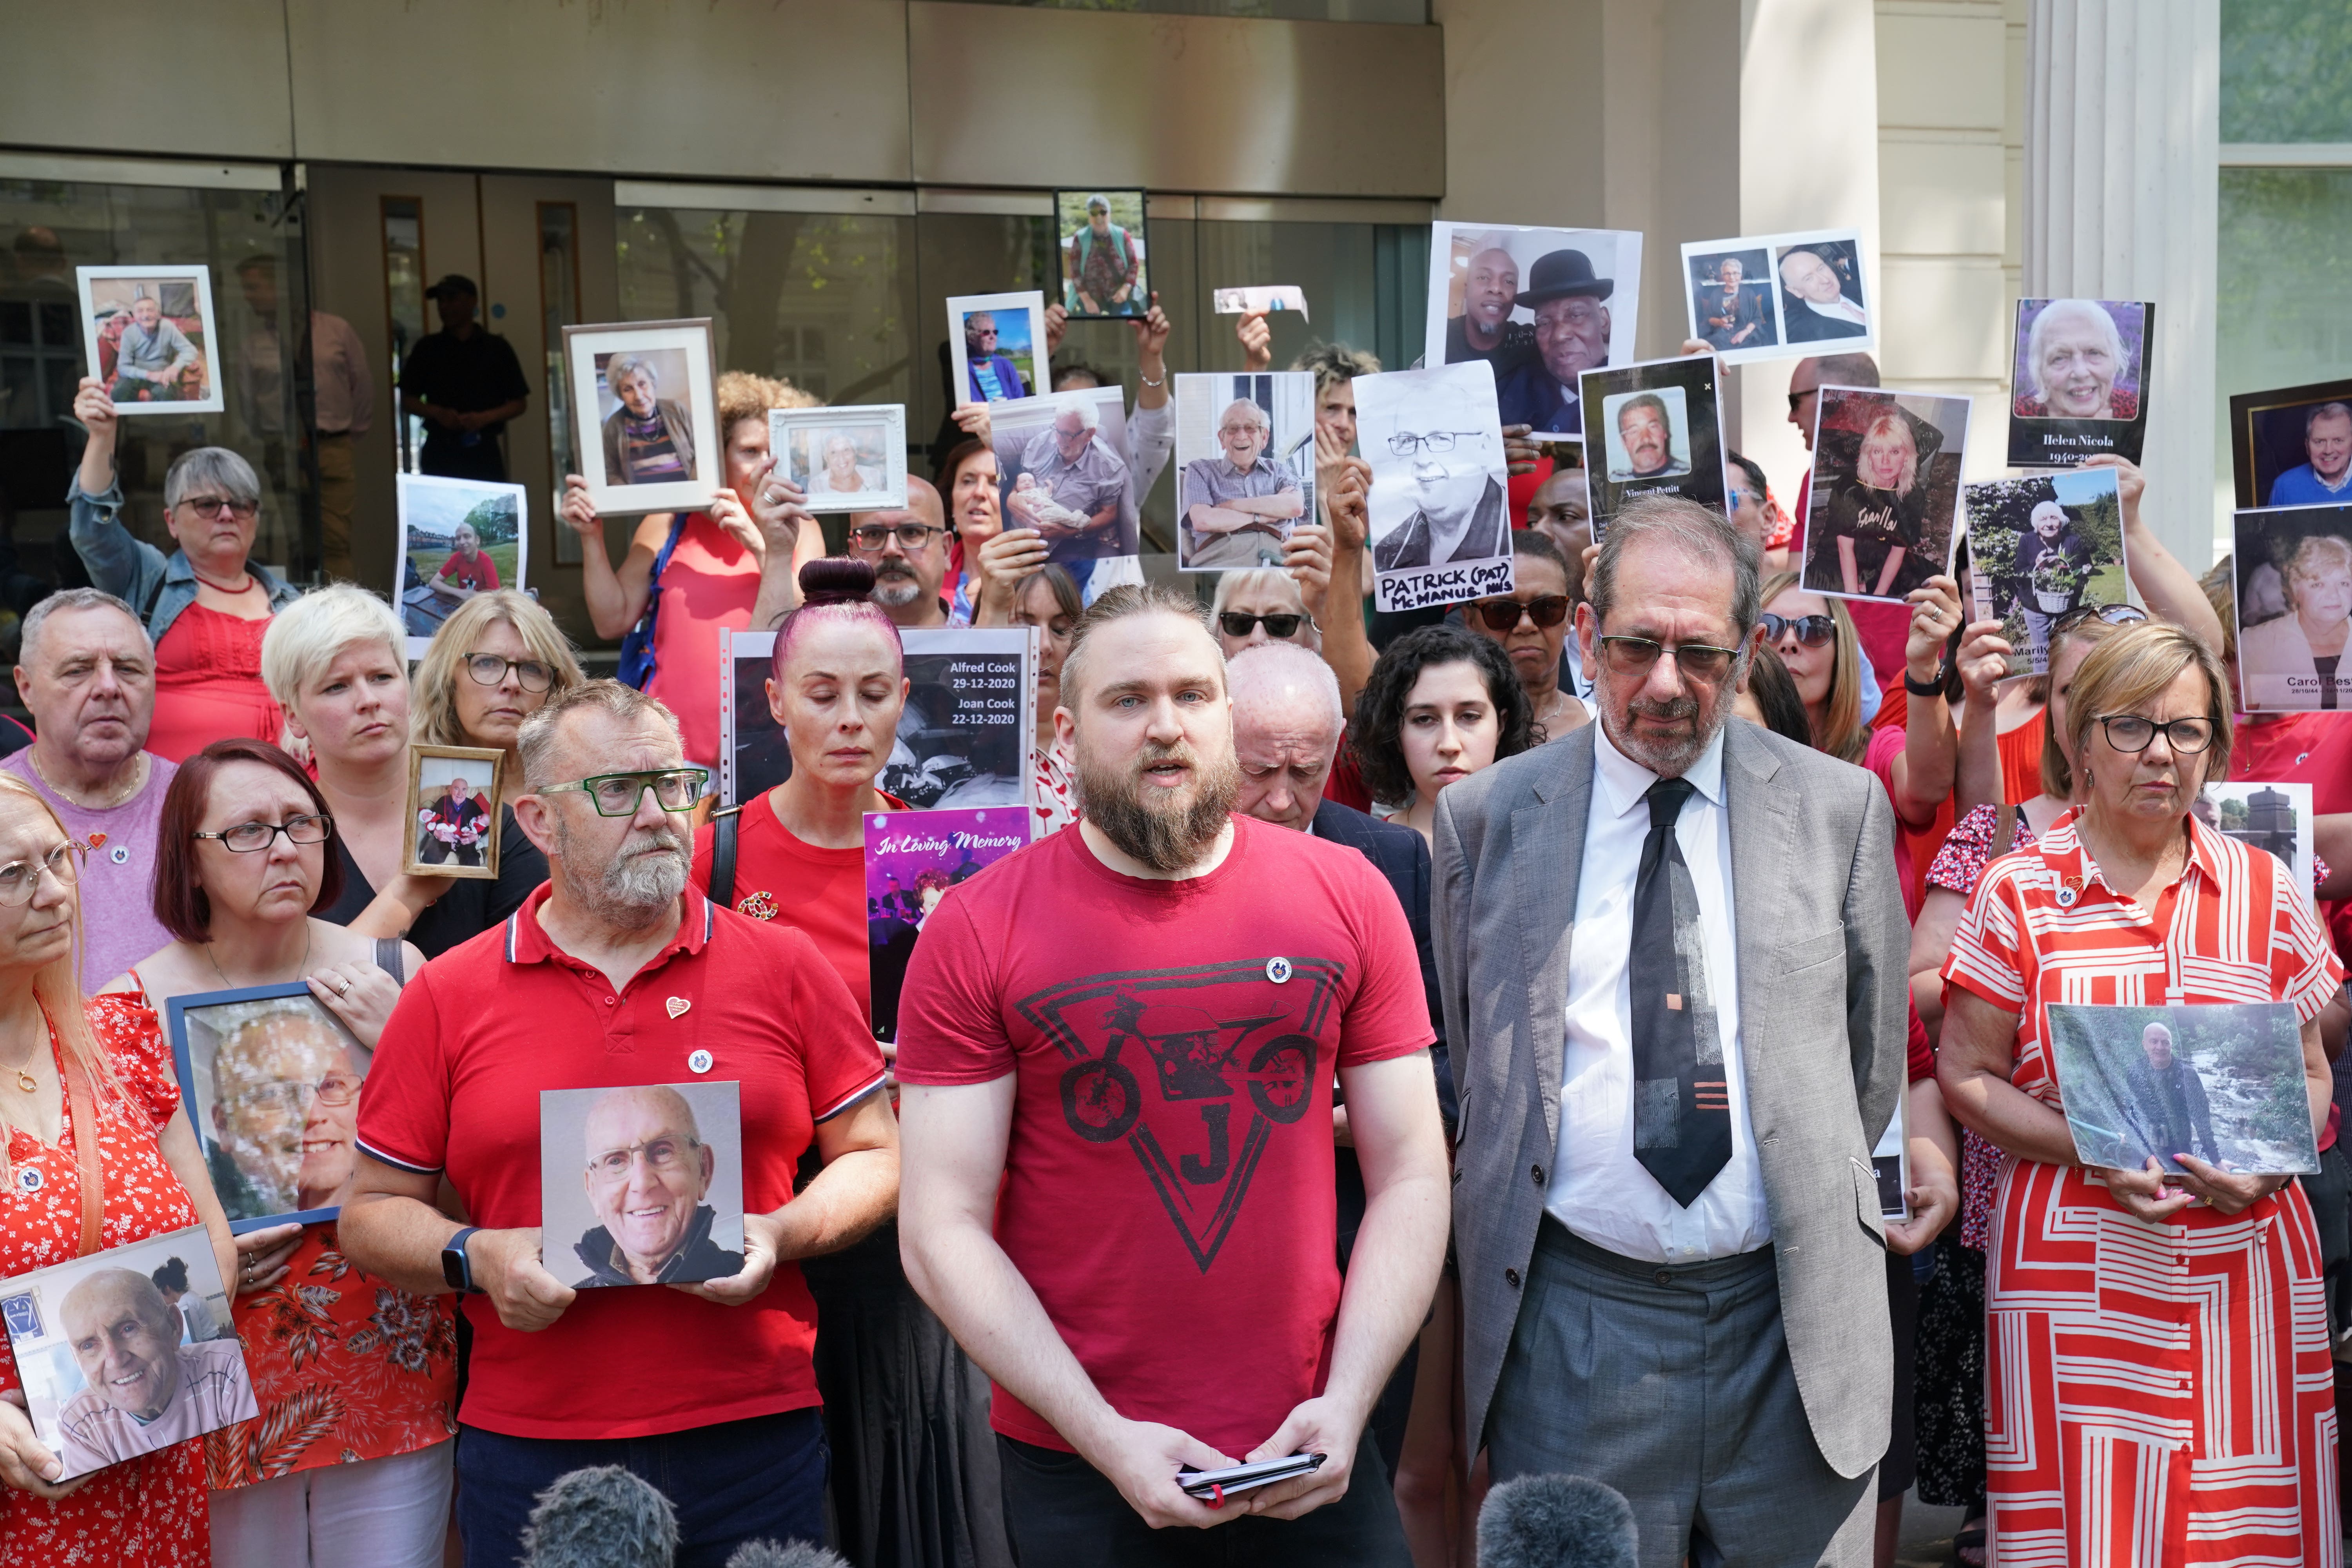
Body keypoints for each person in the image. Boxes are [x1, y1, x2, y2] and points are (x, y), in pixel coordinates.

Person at [895, 583, 1448, 1564]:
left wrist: (1350, 1401)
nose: (1165, 726)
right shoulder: (976, 926)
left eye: (1194, 695)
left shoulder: (1350, 893)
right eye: (1127, 700)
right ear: (1065, 734)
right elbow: (940, 1227)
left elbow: (1410, 1168)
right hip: (1078, 1459)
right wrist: (1106, 1440)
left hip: (1315, 1446)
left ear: (1227, 714)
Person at [1440, 495, 1909, 1567]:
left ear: (1745, 654)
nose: (1664, 683)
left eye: (1700, 653)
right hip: (1571, 1334)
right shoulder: (1490, 819)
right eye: (1638, 645)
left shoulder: (1840, 812)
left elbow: (1867, 1065)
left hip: (1792, 1338)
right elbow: (1482, 1067)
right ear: (1584, 639)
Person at [342, 680, 897, 1566]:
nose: (658, 815)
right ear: (536, 819)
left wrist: (780, 1231)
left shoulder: (783, 963)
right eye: (616, 791)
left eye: (675, 784)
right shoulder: (448, 991)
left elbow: (874, 1152)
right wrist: (475, 1256)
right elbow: (370, 1213)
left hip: (754, 1430)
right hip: (534, 1443)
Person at [1938, 622, 2342, 1565]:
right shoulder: (2017, 891)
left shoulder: (2266, 890)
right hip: (2077, 1277)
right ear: (2079, 740)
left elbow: (2314, 1071)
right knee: (2091, 1529)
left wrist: (2277, 1162)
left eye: (2187, 730)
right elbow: (1964, 1074)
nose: (2160, 752)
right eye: (2130, 726)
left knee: (2246, 1529)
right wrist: (2098, 1145)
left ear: (2214, 746)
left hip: (2248, 1275)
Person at [689, 562, 1016, 1568]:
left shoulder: (965, 858)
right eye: (822, 694)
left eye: (875, 694)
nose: (849, 718)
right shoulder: (715, 859)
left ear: (905, 700)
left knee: (924, 1513)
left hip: (921, 1231)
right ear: (774, 701)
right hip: (762, 1232)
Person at [108, 739, 449, 1563]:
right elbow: (112, 1206)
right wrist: (198, 1257)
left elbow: (469, 1164)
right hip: (221, 1377)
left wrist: (399, 1041)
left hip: (388, 1354)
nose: (286, 847)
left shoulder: (395, 970)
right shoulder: (128, 1003)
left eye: (302, 823)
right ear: (188, 861)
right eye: (249, 831)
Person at [1225, 642, 1460, 1554]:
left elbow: (1447, 1072)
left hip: (1363, 1239)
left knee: (1352, 1489)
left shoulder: (1389, 858)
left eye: (1307, 770)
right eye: (1256, 771)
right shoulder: (1168, 858)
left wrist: (1341, 1116)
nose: (1284, 797)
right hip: (1222, 1258)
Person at [0, 773, 237, 1566]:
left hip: (154, 1476)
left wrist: (152, 1377)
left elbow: (210, 1239)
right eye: (13, 874)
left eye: (58, 860)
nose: (55, 891)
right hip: (22, 1497)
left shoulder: (117, 1036)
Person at [262, 585, 551, 958]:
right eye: (337, 687)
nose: (369, 701)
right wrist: (412, 891)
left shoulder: (495, 824)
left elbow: (532, 975)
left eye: (382, 677)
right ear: (293, 717)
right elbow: (286, 996)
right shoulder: (281, 841)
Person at [566, 370, 817, 769]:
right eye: (750, 452)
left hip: (763, 745)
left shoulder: (800, 525)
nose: (766, 466)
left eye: (776, 453)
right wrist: (591, 537)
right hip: (668, 753)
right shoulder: (669, 520)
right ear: (718, 456)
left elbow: (808, 621)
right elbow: (611, 620)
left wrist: (759, 541)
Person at [66, 381, 299, 761]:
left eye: (241, 504)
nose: (226, 514)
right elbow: (92, 530)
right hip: (174, 799)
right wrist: (102, 435)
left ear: (256, 519)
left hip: (283, 798)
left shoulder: (294, 603)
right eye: (207, 504)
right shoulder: (147, 577)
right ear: (172, 521)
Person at [1759, 570, 1964, 915]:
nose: (1790, 642)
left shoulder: (1875, 752)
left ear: (1843, 652)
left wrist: (1924, 664)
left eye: (1814, 629)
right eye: (1772, 626)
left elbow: (1926, 792)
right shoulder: (1724, 755)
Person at [3, 590, 178, 990]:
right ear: (26, 688)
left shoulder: (203, 800)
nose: (108, 687)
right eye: (78, 670)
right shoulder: (3, 803)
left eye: (128, 668)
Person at [231, 254, 372, 581]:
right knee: (298, 537)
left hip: (332, 445)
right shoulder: (253, 345)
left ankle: (341, 621)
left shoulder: (336, 331)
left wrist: (350, 435)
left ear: (278, 286)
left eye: (254, 287)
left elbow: (363, 386)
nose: (248, 296)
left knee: (335, 540)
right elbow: (247, 403)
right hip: (282, 449)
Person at [1352, 623, 1539, 841]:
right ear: (1396, 733)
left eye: (1469, 716)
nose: (1449, 745)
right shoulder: (1364, 857)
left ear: (1501, 725)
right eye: (1424, 720)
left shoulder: (1542, 843)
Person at [55, 1270, 253, 1470]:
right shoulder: (81, 1424)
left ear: (174, 1326)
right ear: (77, 1360)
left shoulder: (231, 1368)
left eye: (128, 1329)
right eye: (88, 1346)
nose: (115, 1361)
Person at [570, 1086, 744, 1287]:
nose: (642, 1183)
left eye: (663, 1151)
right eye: (615, 1161)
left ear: (703, 1169)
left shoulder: (753, 1280)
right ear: (593, 1191)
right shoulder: (566, 1309)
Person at [201, 1005, 365, 1218]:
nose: (312, 1116)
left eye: (331, 1085)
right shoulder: (211, 1240)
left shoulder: (413, 1204)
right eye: (272, 1094)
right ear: (224, 1127)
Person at [398, 275, 530, 483]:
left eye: (452, 299)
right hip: (440, 451)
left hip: (484, 452)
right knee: (438, 514)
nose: (444, 307)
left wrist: (484, 418)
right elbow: (408, 400)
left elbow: (519, 403)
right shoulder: (428, 348)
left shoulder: (496, 348)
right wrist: (438, 413)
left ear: (473, 301)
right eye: (440, 301)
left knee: (489, 514)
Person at [1465, 528, 1590, 740]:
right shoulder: (1452, 738)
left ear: (1569, 618)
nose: (1525, 625)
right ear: (1470, 620)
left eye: (1548, 609)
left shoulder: (1605, 725)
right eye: (1502, 611)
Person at [1812, 407, 1926, 599]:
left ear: (1907, 456)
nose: (1885, 461)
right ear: (1868, 455)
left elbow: (1898, 551)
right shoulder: (1849, 488)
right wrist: (1854, 597)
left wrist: (1878, 598)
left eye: (1895, 451)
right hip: (1840, 556)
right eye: (1877, 451)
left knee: (1917, 588)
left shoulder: (1913, 496)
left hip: (1880, 557)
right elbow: (1844, 548)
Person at [1369, 414, 1508, 572]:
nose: (1422, 460)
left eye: (1441, 439)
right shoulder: (1388, 553)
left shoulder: (1515, 536)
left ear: (1483, 448)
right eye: (1407, 441)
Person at [1495, 250, 1614, 434]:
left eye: (1575, 315)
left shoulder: (1634, 392)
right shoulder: (1509, 395)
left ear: (1604, 321)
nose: (1559, 335)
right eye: (1544, 322)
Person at [1182, 398, 1307, 570]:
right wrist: (1261, 517)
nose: (1241, 436)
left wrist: (1233, 506)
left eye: (1250, 428)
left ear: (1264, 437)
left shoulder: (1280, 471)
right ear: (1222, 438)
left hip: (1279, 565)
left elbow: (1294, 506)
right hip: (1222, 564)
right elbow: (1203, 520)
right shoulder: (1201, 470)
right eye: (1233, 429)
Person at [2239, 532, 2352, 710]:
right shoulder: (2255, 644)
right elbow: (2240, 723)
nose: (2334, 595)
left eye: (2344, 584)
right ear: (2295, 589)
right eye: (2318, 584)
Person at [1014, 398, 1130, 562]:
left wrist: (1069, 532)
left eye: (1068, 434)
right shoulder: (1039, 444)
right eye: (1057, 430)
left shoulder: (1109, 469)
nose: (1059, 441)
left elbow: (1109, 513)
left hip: (1068, 544)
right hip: (1022, 532)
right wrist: (1012, 500)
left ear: (1089, 434)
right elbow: (1020, 481)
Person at [2112, 1019, 2220, 1169]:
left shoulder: (2186, 1075)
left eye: (2165, 1042)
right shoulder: (2135, 1071)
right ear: (2145, 1045)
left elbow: (2201, 1119)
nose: (2160, 1047)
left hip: (2179, 1153)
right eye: (2154, 1042)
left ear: (2171, 1045)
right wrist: (2129, 1134)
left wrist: (2216, 1160)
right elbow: (2132, 1108)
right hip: (2145, 1151)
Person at [2006, 498, 2098, 670]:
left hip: (2066, 606)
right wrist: (2037, 565)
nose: (2049, 524)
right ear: (2036, 524)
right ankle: (2040, 690)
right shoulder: (2027, 540)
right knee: (2041, 654)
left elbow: (2081, 572)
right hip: (2035, 606)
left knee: (2068, 650)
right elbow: (2019, 573)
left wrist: (2067, 569)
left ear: (2061, 522)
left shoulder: (2073, 541)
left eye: (2054, 519)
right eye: (2043, 519)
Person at [853, 477, 955, 631]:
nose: (891, 550)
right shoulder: (824, 652)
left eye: (911, 532)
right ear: (852, 552)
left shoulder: (979, 650)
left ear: (946, 550)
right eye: (874, 534)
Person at [2016, 298, 2131, 421]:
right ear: (2040, 371)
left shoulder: (2136, 412)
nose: (2081, 373)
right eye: (2059, 358)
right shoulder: (2020, 416)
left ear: (2115, 361)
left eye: (2094, 353)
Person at [600, 353, 697, 487]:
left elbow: (701, 452)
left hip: (688, 499)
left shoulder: (677, 411)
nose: (639, 396)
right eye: (628, 389)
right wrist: (633, 500)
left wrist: (693, 488)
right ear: (620, 395)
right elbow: (610, 473)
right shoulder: (613, 427)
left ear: (653, 383)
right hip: (642, 505)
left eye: (642, 384)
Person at [1443, 245, 1535, 371]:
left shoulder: (1532, 341)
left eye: (1509, 282)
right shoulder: (1440, 335)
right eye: (1483, 278)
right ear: (1466, 289)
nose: (1496, 289)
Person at [102, 290, 199, 403]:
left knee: (165, 395)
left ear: (158, 314)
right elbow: (123, 367)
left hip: (162, 374)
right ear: (134, 315)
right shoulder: (129, 333)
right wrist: (149, 375)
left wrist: (176, 367)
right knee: (119, 393)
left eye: (150, 310)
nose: (146, 315)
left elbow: (190, 351)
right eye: (140, 311)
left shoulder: (167, 327)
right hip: (135, 374)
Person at [1065, 195, 1143, 316]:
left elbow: (1134, 263)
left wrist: (1125, 289)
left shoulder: (1121, 234)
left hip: (1118, 294)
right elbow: (1075, 273)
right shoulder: (1080, 238)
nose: (1099, 217)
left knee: (1126, 324)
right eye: (1094, 213)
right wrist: (1087, 301)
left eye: (1103, 212)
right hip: (1090, 296)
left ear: (1109, 214)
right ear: (1089, 216)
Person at [2268, 401, 2352, 506]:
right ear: (2308, 447)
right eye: (2319, 442)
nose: (2328, 451)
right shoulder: (2284, 487)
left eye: (2338, 441)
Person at [1778, 247, 1868, 341]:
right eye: (1809, 278)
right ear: (1796, 291)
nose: (1825, 280)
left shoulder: (1859, 286)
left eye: (1821, 269)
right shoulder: (1809, 337)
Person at [1696, 256, 1772, 351]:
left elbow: (1757, 319)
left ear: (1741, 276)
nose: (1732, 277)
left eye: (1735, 273)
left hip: (1747, 333)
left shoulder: (1749, 293)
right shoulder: (1716, 294)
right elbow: (1709, 319)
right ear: (1723, 276)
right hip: (1722, 334)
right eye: (1727, 274)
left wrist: (1745, 332)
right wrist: (1720, 322)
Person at [418, 773, 488, 867]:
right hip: (445, 838)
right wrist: (435, 833)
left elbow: (487, 825)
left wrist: (477, 836)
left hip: (465, 840)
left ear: (467, 791)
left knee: (472, 862)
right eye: (457, 789)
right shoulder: (443, 801)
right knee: (429, 858)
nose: (460, 794)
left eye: (464, 790)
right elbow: (431, 820)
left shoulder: (472, 805)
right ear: (451, 790)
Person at [150, 1256, 224, 1343]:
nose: (160, 1299)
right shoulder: (191, 1296)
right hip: (215, 1343)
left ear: (167, 1289)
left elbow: (194, 1340)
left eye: (159, 1294)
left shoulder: (186, 1304)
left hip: (210, 1347)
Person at [1609, 392, 1681, 481]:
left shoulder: (1690, 476)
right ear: (1624, 442)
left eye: (1653, 427)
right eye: (1634, 431)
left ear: (1665, 432)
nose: (1646, 439)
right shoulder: (1614, 480)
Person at [960, 312, 1030, 403]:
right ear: (972, 338)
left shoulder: (1006, 364)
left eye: (995, 332)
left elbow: (1020, 399)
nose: (993, 337)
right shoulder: (963, 369)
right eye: (986, 333)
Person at [431, 521, 499, 601]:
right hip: (462, 602)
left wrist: (474, 596)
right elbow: (434, 582)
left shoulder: (486, 561)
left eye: (467, 537)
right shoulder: (457, 558)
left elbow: (497, 595)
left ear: (477, 540)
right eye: (458, 538)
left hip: (482, 606)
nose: (462, 542)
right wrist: (460, 593)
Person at [809, 430, 882, 499]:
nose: (841, 458)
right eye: (833, 453)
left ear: (855, 453)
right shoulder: (816, 487)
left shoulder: (874, 476)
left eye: (846, 450)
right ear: (827, 459)